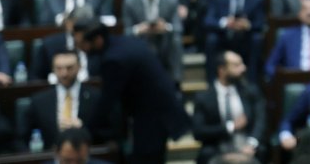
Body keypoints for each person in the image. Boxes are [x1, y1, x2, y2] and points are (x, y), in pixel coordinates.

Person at [74, 19, 191, 164]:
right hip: (155, 112)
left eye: (81, 43)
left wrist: (84, 132)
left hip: (153, 117)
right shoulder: (123, 43)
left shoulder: (114, 59)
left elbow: (107, 102)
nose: (79, 48)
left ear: (97, 40)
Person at [192, 51, 267, 164]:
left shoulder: (251, 92)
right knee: (206, 154)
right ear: (222, 70)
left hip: (246, 145)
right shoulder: (204, 97)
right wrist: (230, 127)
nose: (243, 68)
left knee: (262, 151)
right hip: (218, 148)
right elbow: (198, 131)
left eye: (242, 64)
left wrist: (251, 144)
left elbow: (261, 121)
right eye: (236, 65)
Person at [203, 0, 267, 82]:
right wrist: (225, 23)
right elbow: (208, 21)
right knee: (211, 40)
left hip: (246, 38)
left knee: (257, 39)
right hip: (224, 37)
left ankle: (252, 82)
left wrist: (247, 25)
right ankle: (212, 82)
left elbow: (261, 23)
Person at [27, 51, 102, 148]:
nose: (64, 73)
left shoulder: (96, 97)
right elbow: (25, 137)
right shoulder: (38, 101)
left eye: (69, 68)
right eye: (59, 68)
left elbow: (107, 134)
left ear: (79, 67)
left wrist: (83, 130)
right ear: (53, 69)